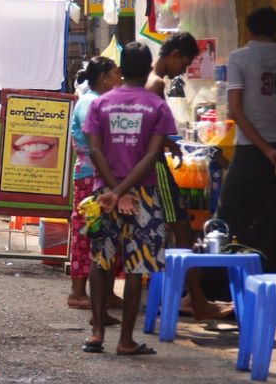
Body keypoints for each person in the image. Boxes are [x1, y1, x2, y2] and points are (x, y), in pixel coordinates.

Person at [83, 41, 174, 356]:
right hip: (143, 195)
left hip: (103, 193)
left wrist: (113, 190)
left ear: (121, 69)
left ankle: (97, 332)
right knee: (137, 266)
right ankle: (125, 341)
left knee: (100, 259)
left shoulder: (100, 104)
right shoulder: (157, 106)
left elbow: (95, 150)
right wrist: (124, 192)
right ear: (148, 69)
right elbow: (152, 155)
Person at [147, 32, 232, 320]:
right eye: (184, 63)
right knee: (183, 230)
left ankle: (193, 298)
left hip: (154, 164)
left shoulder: (151, 80)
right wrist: (168, 142)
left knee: (180, 231)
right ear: (174, 56)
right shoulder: (157, 84)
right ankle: (197, 301)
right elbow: (151, 131)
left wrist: (169, 143)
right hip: (156, 168)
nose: (183, 70)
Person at [218, 7, 276, 273]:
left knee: (229, 215)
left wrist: (266, 150)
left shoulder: (238, 58)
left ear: (248, 31)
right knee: (273, 221)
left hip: (250, 150)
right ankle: (272, 281)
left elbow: (236, 110)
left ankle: (223, 284)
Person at [67, 56, 123, 315]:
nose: (119, 79)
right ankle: (78, 292)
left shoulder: (95, 101)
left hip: (97, 174)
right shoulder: (91, 103)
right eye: (116, 74)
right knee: (87, 232)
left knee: (106, 232)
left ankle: (106, 292)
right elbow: (96, 146)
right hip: (92, 176)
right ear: (103, 78)